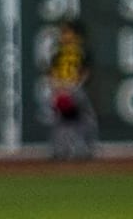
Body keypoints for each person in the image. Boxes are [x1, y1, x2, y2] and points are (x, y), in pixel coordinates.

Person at [42, 19, 98, 160]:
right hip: (74, 90)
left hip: (58, 91)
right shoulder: (81, 50)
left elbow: (50, 74)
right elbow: (85, 72)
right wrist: (72, 87)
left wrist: (57, 87)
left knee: (61, 121)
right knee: (85, 120)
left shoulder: (57, 51)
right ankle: (82, 150)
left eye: (66, 32)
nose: (63, 35)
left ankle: (59, 151)